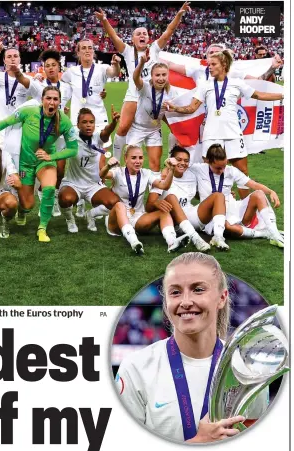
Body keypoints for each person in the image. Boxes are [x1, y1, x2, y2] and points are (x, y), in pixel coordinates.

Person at [115, 252, 268, 443]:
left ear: (221, 298)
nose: (185, 302)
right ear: (166, 302)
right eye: (175, 292)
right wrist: (198, 442)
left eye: (198, 289)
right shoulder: (136, 368)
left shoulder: (247, 371)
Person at [163, 49, 284, 199]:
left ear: (224, 65)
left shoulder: (237, 83)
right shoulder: (205, 86)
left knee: (243, 173)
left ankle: (245, 206)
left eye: (213, 64)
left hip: (233, 134)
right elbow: (191, 108)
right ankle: (212, 206)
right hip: (211, 135)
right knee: (209, 173)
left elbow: (259, 95)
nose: (210, 67)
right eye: (209, 64)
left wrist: (284, 94)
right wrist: (175, 108)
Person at [95, 2, 191, 161]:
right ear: (132, 39)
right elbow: (113, 36)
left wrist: (179, 14)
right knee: (124, 127)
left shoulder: (154, 49)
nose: (141, 35)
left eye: (144, 33)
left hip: (157, 95)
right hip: (135, 94)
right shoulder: (127, 51)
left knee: (176, 125)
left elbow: (168, 32)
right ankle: (116, 162)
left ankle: (172, 157)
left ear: (148, 37)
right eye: (138, 33)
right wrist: (105, 20)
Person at [0, 86, 78, 242]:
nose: (51, 102)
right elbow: (6, 122)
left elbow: (73, 149)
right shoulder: (29, 112)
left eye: (55, 99)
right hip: (25, 164)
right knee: (28, 204)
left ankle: (42, 228)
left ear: (59, 102)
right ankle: (23, 211)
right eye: (48, 98)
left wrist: (51, 156)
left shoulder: (64, 120)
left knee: (50, 188)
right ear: (42, 100)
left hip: (45, 162)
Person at [187, 145, 283, 248]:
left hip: (233, 209)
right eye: (218, 168)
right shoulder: (199, 168)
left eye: (224, 166)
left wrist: (270, 191)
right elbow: (179, 165)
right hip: (213, 215)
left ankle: (275, 234)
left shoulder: (231, 171)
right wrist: (168, 165)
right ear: (208, 162)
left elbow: (253, 184)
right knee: (226, 225)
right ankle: (265, 234)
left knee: (259, 194)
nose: (222, 170)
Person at [101, 146, 187, 254]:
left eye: (140, 158)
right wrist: (108, 166)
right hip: (116, 221)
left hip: (137, 218)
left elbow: (164, 186)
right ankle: (134, 242)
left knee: (164, 212)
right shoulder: (118, 172)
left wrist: (172, 170)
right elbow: (102, 175)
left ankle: (172, 242)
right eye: (133, 158)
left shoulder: (146, 173)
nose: (138, 161)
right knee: (119, 205)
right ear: (125, 158)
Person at [146, 146, 226, 251]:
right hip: (173, 222)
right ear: (171, 159)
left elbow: (197, 194)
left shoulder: (191, 175)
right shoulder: (162, 178)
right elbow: (148, 206)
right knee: (171, 197)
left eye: (186, 161)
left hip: (191, 215)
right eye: (179, 159)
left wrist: (220, 198)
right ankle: (195, 238)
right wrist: (157, 203)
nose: (183, 163)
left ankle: (218, 237)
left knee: (218, 195)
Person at [58, 107, 120, 233]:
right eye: (85, 122)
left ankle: (90, 214)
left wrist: (113, 123)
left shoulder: (97, 137)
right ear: (78, 124)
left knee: (114, 203)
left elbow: (106, 133)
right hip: (73, 183)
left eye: (91, 122)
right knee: (65, 199)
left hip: (93, 185)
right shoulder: (72, 138)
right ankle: (70, 219)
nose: (88, 125)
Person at [57, 38, 120, 145]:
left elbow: (114, 73)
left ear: (93, 51)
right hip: (78, 121)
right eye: (84, 48)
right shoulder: (71, 72)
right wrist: (62, 103)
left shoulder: (102, 68)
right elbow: (59, 86)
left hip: (98, 119)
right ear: (78, 52)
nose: (87, 50)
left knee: (101, 155)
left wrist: (116, 64)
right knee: (79, 157)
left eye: (90, 48)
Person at [129, 54, 180, 172]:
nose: (161, 78)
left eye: (164, 75)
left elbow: (175, 113)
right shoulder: (145, 87)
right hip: (137, 128)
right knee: (132, 164)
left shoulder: (172, 93)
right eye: (157, 75)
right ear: (152, 76)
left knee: (155, 165)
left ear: (168, 75)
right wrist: (141, 63)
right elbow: (135, 78)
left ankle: (155, 189)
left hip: (154, 130)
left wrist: (172, 108)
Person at [0, 45, 32, 170]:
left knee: (14, 160)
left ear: (20, 59)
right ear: (4, 61)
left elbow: (41, 96)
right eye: (9, 56)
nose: (12, 59)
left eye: (15, 56)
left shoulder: (28, 80)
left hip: (17, 126)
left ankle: (13, 188)